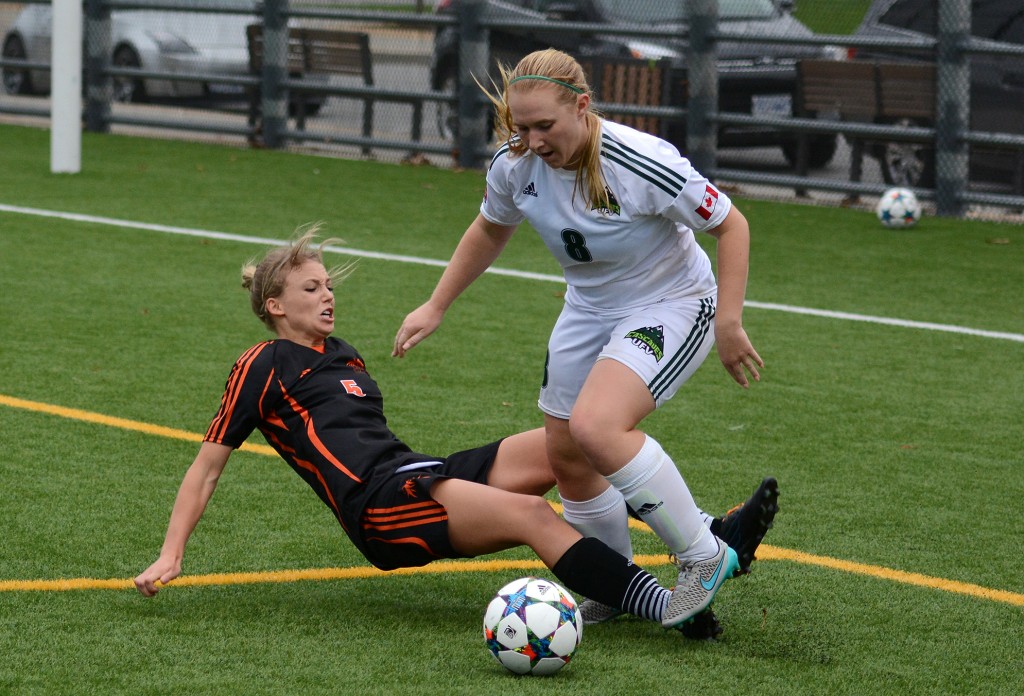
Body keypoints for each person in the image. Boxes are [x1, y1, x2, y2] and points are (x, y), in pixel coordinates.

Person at [133, 228, 734, 639]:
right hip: (380, 508)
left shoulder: (344, 355)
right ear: (274, 306)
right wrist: (172, 552)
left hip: (415, 472)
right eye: (311, 288)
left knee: (568, 442)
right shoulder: (262, 365)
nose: (327, 296)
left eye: (329, 285)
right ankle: (666, 607)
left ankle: (702, 535)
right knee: (531, 515)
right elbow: (207, 466)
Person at [393, 48, 772, 628]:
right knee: (566, 451)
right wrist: (436, 304)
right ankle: (615, 580)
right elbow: (490, 228)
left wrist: (729, 322)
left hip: (671, 304)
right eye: (522, 127)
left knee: (597, 427)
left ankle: (705, 554)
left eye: (546, 125)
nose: (534, 139)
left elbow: (731, 224)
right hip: (588, 308)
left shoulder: (640, 159)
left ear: (583, 107)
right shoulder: (514, 164)